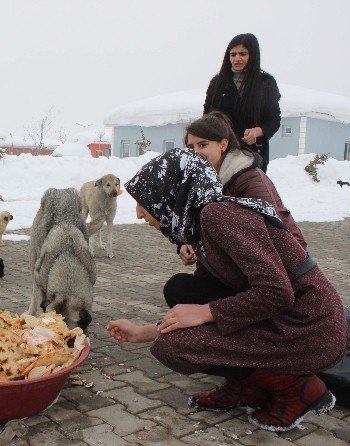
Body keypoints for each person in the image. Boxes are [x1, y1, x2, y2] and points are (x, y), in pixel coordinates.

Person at [108, 148, 346, 432]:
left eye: (143, 202)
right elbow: (208, 298)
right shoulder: (201, 226)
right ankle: (247, 386)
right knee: (183, 290)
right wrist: (144, 332)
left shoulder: (219, 215)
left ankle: (298, 388)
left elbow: (277, 292)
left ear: (171, 194)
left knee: (174, 347)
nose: (137, 214)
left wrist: (206, 312)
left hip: (310, 328)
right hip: (283, 317)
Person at [175, 111, 306, 301]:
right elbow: (206, 230)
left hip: (281, 268)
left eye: (202, 145)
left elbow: (268, 231)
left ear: (223, 144)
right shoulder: (202, 181)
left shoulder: (248, 177)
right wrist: (190, 245)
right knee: (179, 289)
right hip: (238, 267)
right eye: (190, 147)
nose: (195, 152)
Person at [204, 33, 281, 171]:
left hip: (252, 155)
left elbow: (274, 120)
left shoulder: (266, 83)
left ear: (253, 55)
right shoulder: (217, 83)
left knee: (249, 191)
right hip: (222, 154)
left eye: (242, 54)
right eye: (232, 54)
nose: (237, 58)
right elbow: (207, 119)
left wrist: (257, 132)